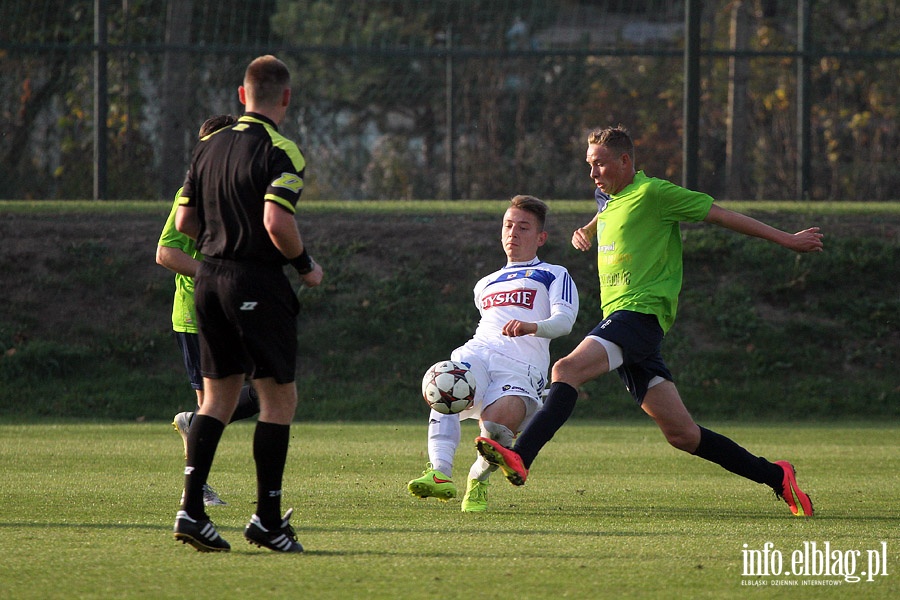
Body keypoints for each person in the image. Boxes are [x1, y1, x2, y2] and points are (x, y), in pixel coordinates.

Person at [476, 125, 824, 517]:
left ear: (625, 161)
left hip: (640, 314)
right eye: (589, 165)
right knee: (683, 435)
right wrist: (587, 230)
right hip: (626, 322)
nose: (593, 174)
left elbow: (722, 216)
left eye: (601, 165)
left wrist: (788, 240)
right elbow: (605, 207)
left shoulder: (655, 194)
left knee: (566, 368)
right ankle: (778, 477)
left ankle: (521, 455)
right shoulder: (609, 197)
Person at [172, 55, 324, 553]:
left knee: (215, 401)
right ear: (285, 97)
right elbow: (276, 223)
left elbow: (185, 225)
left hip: (208, 282)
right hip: (254, 283)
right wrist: (305, 266)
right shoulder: (281, 152)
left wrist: (221, 234)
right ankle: (266, 520)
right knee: (278, 401)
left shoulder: (207, 148)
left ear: (242, 94)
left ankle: (191, 511)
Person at [407, 195, 579, 512]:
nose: (513, 232)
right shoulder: (485, 284)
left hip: (522, 368)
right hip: (479, 352)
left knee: (495, 432)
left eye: (523, 227)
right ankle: (440, 473)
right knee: (445, 381)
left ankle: (477, 480)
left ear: (540, 238)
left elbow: (564, 321)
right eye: (508, 225)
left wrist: (531, 327)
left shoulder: (554, 274)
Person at [156, 114, 261, 508]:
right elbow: (166, 252)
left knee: (267, 392)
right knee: (213, 402)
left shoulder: (239, 194)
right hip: (196, 313)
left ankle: (193, 426)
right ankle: (194, 488)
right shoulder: (192, 193)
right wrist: (215, 275)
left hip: (234, 312)